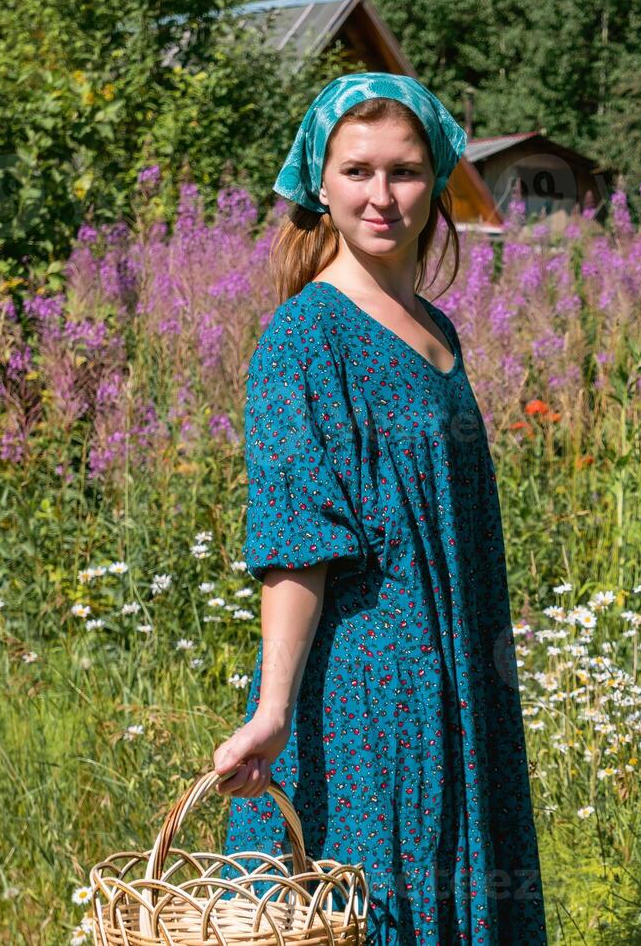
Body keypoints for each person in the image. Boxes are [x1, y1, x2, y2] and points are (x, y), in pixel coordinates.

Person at [210, 72, 548, 944]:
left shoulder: (436, 327)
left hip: (458, 676)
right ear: (318, 182)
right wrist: (274, 710)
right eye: (357, 171)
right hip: (367, 688)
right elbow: (296, 540)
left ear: (436, 182)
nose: (381, 195)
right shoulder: (303, 338)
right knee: (375, 903)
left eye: (404, 171)